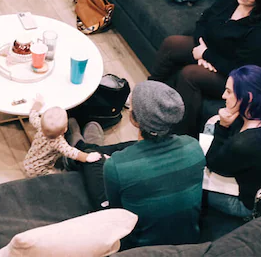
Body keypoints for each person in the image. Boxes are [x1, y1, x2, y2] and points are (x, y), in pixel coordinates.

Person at [150, 0, 261, 136]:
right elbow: (204, 20)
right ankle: (151, 92)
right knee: (172, 44)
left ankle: (180, 134)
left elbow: (244, 69)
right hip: (214, 52)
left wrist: (207, 55)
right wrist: (203, 51)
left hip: (241, 79)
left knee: (190, 75)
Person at [72, 81, 205, 250]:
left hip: (141, 247)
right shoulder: (193, 146)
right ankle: (86, 146)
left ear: (134, 120)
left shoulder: (116, 166)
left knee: (94, 161)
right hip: (189, 240)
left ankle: (81, 148)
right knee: (123, 148)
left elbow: (116, 212)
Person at [204, 65, 261, 218]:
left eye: (228, 91)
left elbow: (213, 164)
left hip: (250, 204)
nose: (223, 96)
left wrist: (223, 126)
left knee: (199, 189)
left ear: (248, 98)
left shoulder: (244, 143)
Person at [23, 95, 101, 177]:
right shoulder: (58, 142)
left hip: (29, 162)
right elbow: (72, 153)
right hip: (41, 170)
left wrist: (37, 104)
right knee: (58, 175)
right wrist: (87, 157)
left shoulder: (40, 126)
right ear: (65, 129)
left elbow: (32, 116)